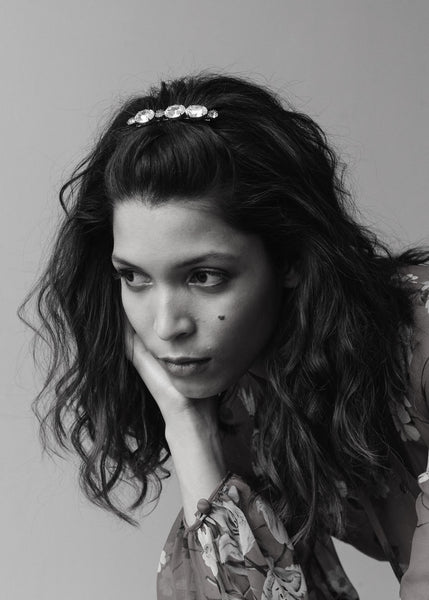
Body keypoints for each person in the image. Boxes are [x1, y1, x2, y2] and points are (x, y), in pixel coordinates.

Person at [21, 73, 429, 600]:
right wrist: (189, 428)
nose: (166, 325)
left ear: (290, 259)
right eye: (134, 277)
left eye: (204, 276)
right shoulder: (245, 396)